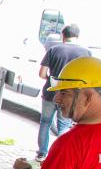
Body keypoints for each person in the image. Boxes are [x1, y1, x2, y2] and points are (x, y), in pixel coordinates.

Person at [36, 24, 91, 160]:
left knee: (45, 122)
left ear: (63, 35)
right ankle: (60, 155)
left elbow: (42, 73)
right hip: (71, 96)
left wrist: (52, 79)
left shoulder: (53, 49)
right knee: (64, 125)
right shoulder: (86, 53)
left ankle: (42, 153)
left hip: (50, 93)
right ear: (77, 36)